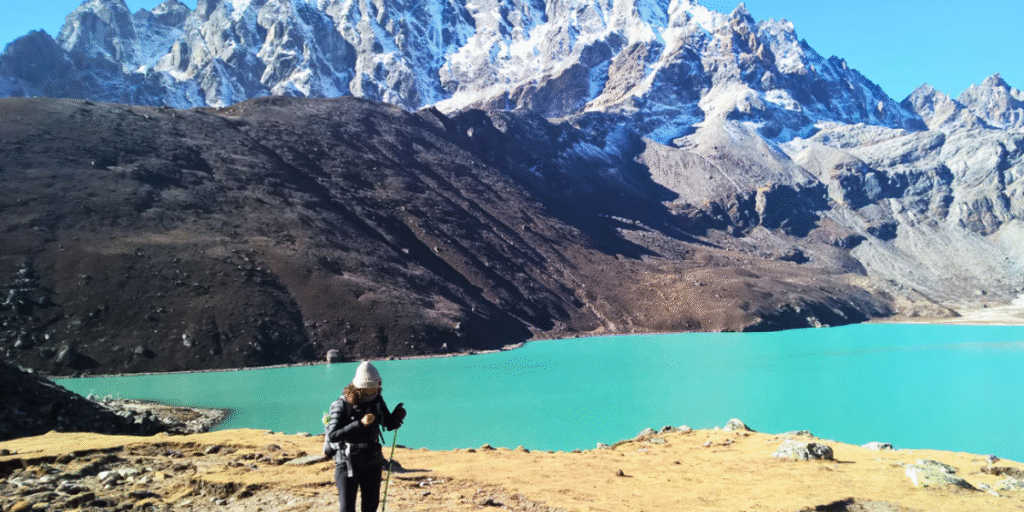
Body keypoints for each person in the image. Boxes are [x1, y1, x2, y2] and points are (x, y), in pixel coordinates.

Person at [324, 361, 406, 512]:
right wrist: (360, 424)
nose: (377, 389)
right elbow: (333, 435)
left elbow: (387, 424)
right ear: (364, 387)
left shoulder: (376, 401)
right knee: (347, 509)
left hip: (372, 461)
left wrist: (396, 417)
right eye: (374, 386)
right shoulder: (341, 405)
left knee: (370, 506)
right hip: (347, 463)